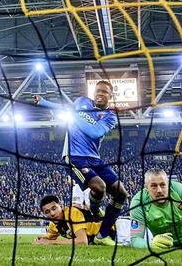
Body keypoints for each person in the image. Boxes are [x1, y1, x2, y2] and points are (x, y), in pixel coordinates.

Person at [33, 80, 127, 246]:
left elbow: (95, 131)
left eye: (104, 92)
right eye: (97, 90)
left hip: (94, 158)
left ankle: (102, 235)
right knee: (99, 187)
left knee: (121, 193)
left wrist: (75, 115)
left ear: (110, 96)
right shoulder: (82, 102)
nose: (100, 94)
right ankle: (95, 209)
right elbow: (66, 109)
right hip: (74, 156)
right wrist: (44, 102)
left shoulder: (111, 115)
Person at [34, 195, 101, 245]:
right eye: (47, 212)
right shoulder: (53, 223)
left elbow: (82, 241)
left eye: (54, 208)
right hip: (95, 240)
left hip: (106, 234)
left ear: (61, 206)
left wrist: (51, 242)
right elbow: (49, 238)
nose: (52, 213)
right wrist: (41, 239)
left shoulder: (72, 213)